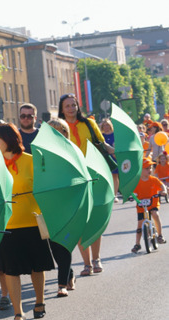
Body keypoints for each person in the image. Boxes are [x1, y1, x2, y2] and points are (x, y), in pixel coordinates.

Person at [0, 123, 54, 320]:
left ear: (8, 139)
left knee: (37, 266)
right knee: (10, 270)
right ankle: (18, 313)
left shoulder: (31, 161)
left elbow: (44, 190)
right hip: (7, 225)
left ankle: (39, 301)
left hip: (32, 222)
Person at [58, 93, 114, 276]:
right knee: (81, 223)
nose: (71, 108)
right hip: (73, 179)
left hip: (95, 174)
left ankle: (97, 259)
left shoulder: (89, 124)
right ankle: (87, 264)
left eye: (73, 105)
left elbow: (103, 144)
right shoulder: (57, 128)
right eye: (67, 106)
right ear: (62, 108)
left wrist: (118, 152)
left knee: (95, 220)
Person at [45, 118, 77, 296]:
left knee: (64, 245)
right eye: (53, 131)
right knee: (54, 247)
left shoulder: (72, 152)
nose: (58, 134)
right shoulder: (41, 154)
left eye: (61, 131)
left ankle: (61, 284)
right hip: (48, 205)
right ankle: (69, 273)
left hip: (67, 204)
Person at [132, 159, 167, 253]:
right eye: (147, 168)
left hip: (153, 203)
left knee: (155, 214)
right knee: (140, 225)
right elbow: (132, 191)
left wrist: (164, 191)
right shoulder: (137, 181)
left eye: (150, 167)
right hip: (141, 206)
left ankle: (160, 235)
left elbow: (161, 185)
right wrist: (131, 196)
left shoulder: (153, 180)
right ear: (141, 169)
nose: (150, 169)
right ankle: (137, 244)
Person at [99, 118, 120, 198]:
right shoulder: (101, 136)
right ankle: (108, 194)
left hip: (114, 157)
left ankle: (115, 195)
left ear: (110, 125)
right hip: (105, 158)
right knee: (107, 176)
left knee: (115, 176)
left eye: (107, 125)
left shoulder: (115, 134)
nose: (106, 127)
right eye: (104, 125)